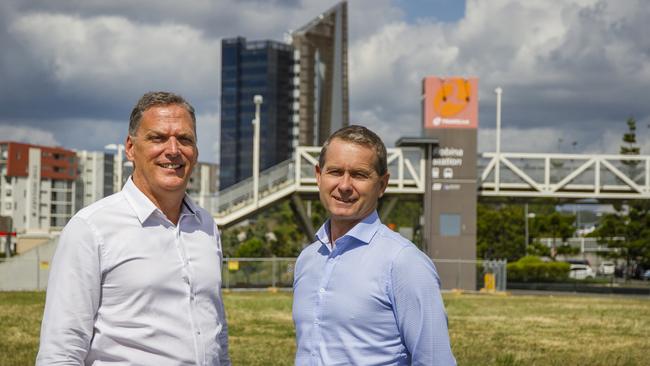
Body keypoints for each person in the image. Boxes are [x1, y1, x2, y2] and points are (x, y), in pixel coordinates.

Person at [37, 91, 230, 365]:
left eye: (185, 139)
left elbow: (216, 331)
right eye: (158, 138)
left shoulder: (206, 227)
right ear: (130, 148)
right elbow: (61, 351)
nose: (173, 150)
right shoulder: (91, 229)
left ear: (196, 152)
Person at [292, 125, 456, 365]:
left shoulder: (404, 263)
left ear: (382, 184)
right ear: (318, 176)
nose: (345, 185)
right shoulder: (308, 259)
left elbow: (435, 360)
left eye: (359, 175)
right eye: (335, 171)